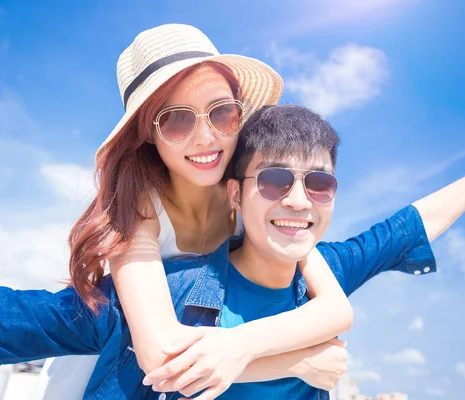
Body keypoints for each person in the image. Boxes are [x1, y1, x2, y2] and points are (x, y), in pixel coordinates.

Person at [0, 106, 465, 399]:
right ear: (235, 194)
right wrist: (296, 360)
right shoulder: (165, 290)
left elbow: (404, 229)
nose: (298, 201)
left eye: (319, 184)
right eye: (275, 181)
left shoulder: (326, 275)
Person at [34, 23, 355, 400]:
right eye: (177, 120)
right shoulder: (139, 210)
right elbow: (161, 355)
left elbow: (336, 309)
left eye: (221, 114)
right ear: (147, 133)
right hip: (105, 376)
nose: (205, 136)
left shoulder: (251, 195)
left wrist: (244, 345)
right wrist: (296, 362)